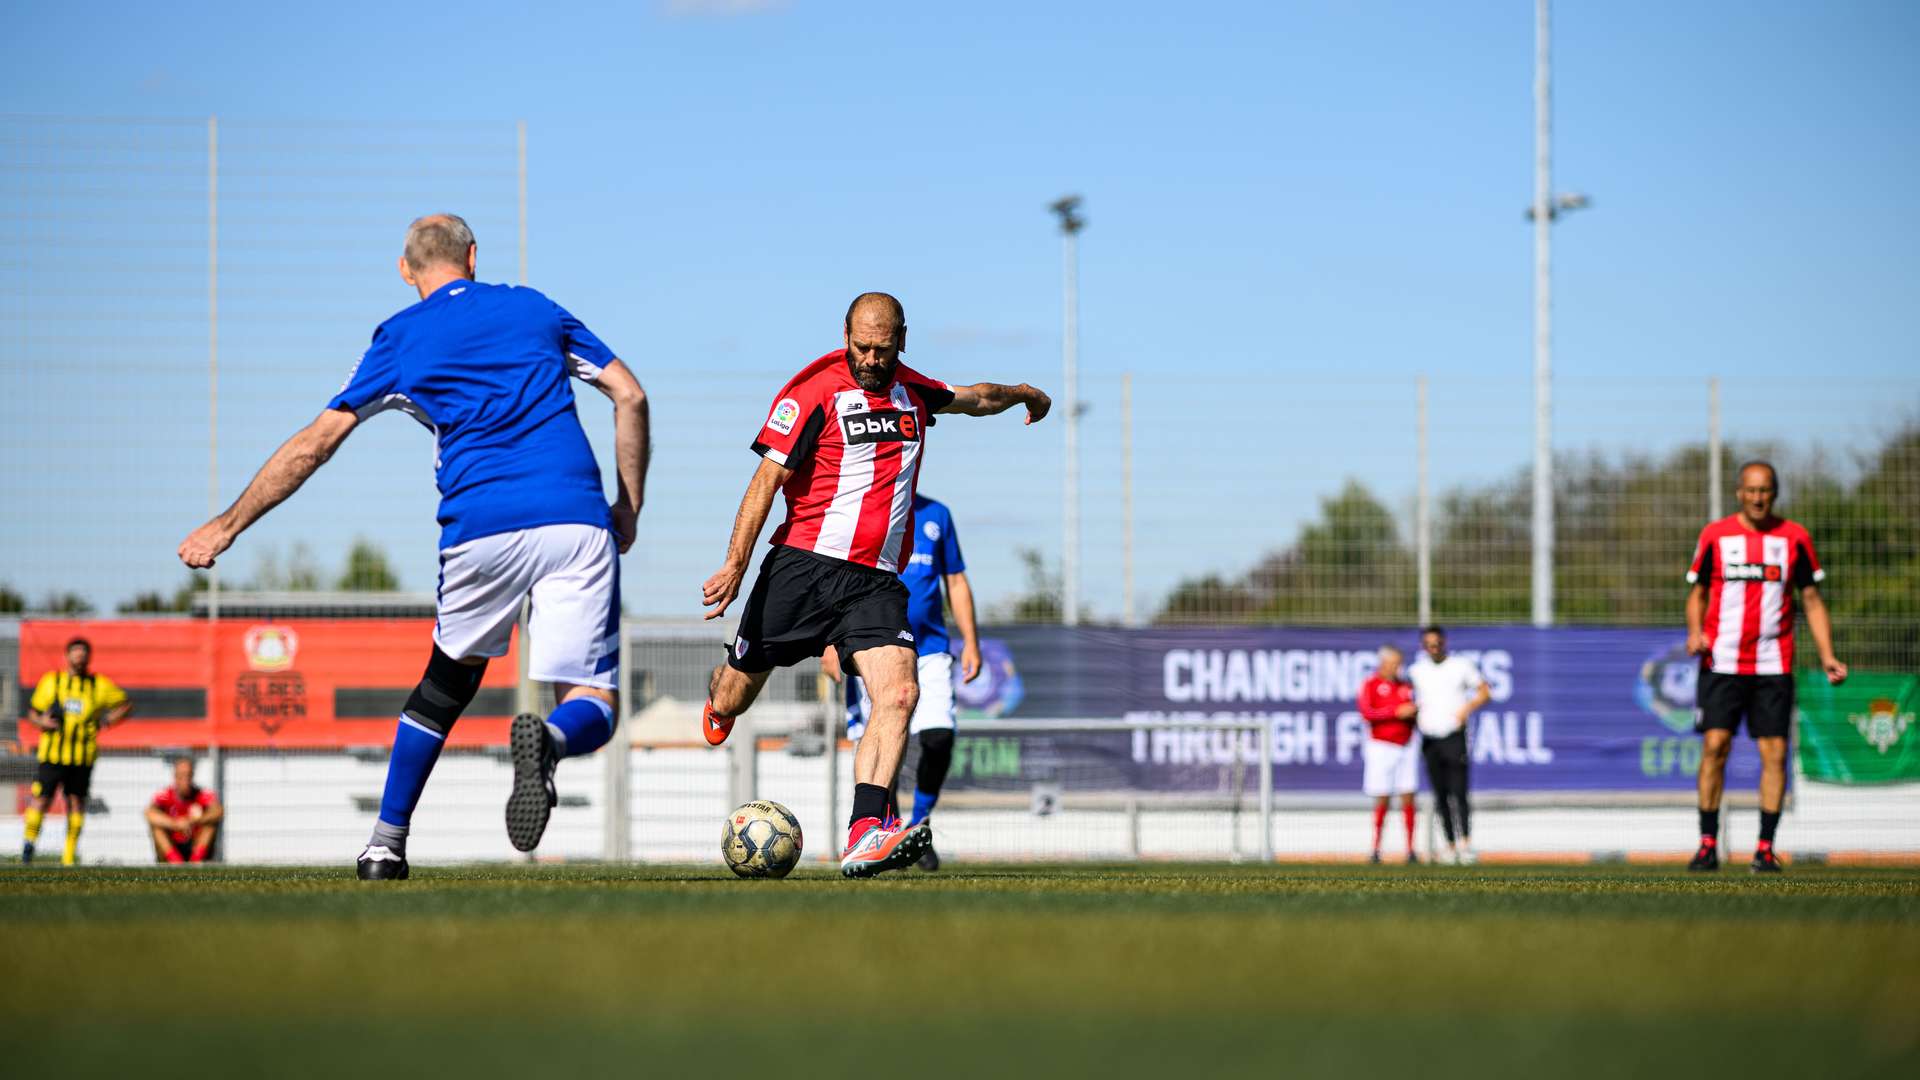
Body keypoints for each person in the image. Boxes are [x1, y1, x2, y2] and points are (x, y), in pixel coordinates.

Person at [178, 214, 649, 880]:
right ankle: (549, 740)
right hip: (572, 516)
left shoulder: (399, 337)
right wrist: (627, 508)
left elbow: (315, 443)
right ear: (473, 256)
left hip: (477, 527)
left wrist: (225, 526)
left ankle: (383, 846)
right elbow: (629, 394)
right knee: (592, 700)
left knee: (444, 686)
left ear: (406, 270)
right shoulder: (535, 308)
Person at [700, 292, 1048, 878]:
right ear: (846, 335)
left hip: (875, 582)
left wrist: (1021, 393)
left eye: (882, 349)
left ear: (901, 340)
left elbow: (973, 397)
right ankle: (720, 700)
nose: (869, 358)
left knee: (900, 694)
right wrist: (735, 563)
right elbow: (765, 480)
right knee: (736, 692)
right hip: (802, 568)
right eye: (861, 346)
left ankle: (865, 832)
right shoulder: (813, 391)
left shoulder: (914, 390)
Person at [1685, 460, 1845, 874]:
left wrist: (1827, 655)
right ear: (1739, 492)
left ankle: (1764, 848)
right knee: (1715, 746)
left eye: (1765, 490)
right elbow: (1698, 593)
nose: (1758, 497)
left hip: (1773, 664)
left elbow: (1810, 599)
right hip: (1720, 661)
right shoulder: (1715, 536)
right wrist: (1694, 631)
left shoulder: (1794, 538)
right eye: (1751, 490)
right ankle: (1706, 845)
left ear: (1775, 493)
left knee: (1774, 753)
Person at [822, 490, 981, 871]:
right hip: (873, 648)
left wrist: (971, 640)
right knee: (878, 742)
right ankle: (881, 830)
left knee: (939, 736)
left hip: (930, 650)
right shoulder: (863, 507)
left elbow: (955, 581)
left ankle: (920, 821)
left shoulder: (937, 514)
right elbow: (833, 577)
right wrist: (829, 641)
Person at [23, 637, 132, 866]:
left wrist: (107, 721)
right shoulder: (52, 681)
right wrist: (41, 721)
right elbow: (32, 711)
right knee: (41, 800)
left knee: (75, 802)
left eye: (83, 652)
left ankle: (69, 857)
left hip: (82, 756)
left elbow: (125, 704)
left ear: (89, 657)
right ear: (67, 656)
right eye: (76, 652)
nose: (79, 656)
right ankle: (28, 848)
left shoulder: (97, 685)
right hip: (52, 755)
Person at [1407, 626, 1489, 865]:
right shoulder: (1416, 671)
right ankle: (1449, 845)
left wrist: (1466, 710)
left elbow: (1484, 692)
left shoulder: (1460, 666)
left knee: (1459, 792)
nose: (1434, 648)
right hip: (1430, 738)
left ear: (1444, 643)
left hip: (1453, 736)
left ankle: (1465, 843)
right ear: (1423, 646)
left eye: (1437, 644)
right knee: (1440, 794)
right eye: (1429, 645)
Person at [1356, 644, 1420, 864]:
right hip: (1381, 746)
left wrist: (1413, 712)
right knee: (1382, 796)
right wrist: (1395, 712)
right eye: (1392, 663)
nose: (1396, 668)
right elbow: (1367, 712)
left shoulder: (1406, 686)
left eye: (1398, 663)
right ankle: (1375, 848)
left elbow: (1414, 710)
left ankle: (1410, 849)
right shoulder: (1371, 684)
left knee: (1408, 794)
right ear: (1382, 663)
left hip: (1406, 745)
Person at [146, 756, 223, 864]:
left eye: (189, 775)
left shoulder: (201, 794)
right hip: (172, 846)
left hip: (194, 844)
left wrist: (193, 821)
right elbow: (149, 813)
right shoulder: (165, 795)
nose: (186, 780)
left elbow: (218, 811)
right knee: (157, 828)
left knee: (210, 825)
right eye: (182, 776)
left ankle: (195, 862)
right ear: (175, 777)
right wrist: (175, 824)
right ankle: (176, 862)